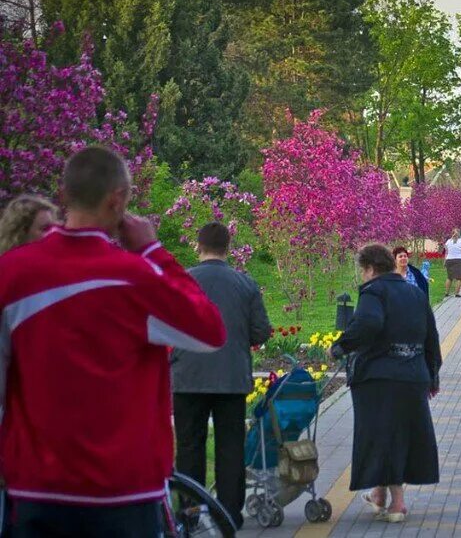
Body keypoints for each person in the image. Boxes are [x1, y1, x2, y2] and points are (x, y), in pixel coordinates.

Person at [0, 146, 225, 537]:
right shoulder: (135, 278)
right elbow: (208, 330)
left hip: (36, 489)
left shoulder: (11, 273)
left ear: (63, 194)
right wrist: (154, 250)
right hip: (124, 491)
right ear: (118, 200)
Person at [330, 244, 441, 524]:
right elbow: (432, 337)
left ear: (369, 269)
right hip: (414, 374)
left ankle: (398, 504)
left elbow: (368, 323)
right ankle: (379, 495)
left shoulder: (374, 291)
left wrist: (340, 347)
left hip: (380, 377)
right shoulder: (415, 292)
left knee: (381, 435)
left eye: (362, 271)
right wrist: (432, 374)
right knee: (397, 434)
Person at [172, 221, 271, 528]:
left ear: (198, 246)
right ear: (229, 248)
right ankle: (229, 513)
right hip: (231, 377)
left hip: (188, 377)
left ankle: (190, 512)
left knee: (189, 445)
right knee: (230, 445)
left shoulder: (181, 281)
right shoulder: (246, 284)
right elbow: (260, 331)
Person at [442, 229, 461, 298]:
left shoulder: (448, 241)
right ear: (459, 233)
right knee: (459, 278)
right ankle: (456, 293)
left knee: (449, 277)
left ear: (452, 233)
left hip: (449, 260)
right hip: (459, 261)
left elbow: (446, 253)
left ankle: (446, 293)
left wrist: (444, 262)